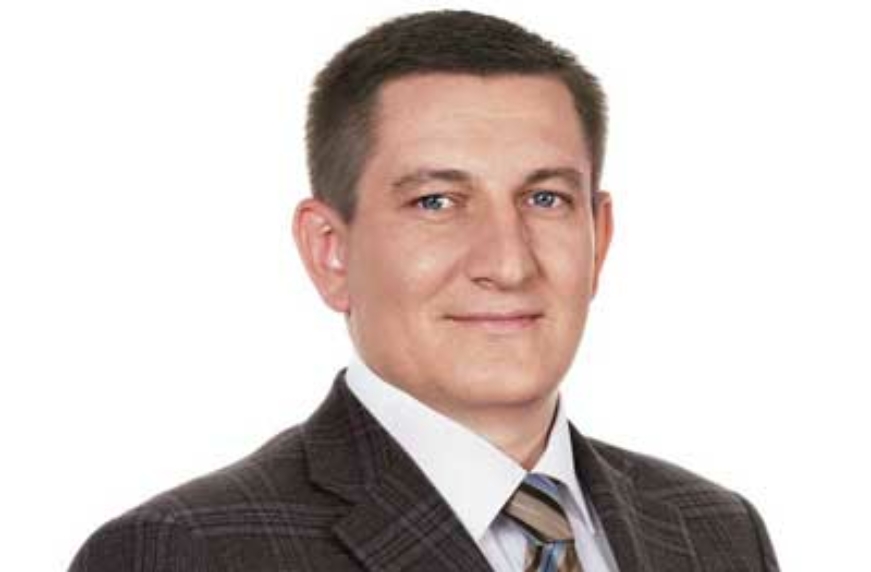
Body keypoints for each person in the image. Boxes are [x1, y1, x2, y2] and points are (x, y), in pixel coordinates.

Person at [69, 10, 779, 571]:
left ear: (600, 238)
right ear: (329, 251)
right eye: (436, 202)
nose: (507, 263)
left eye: (545, 199)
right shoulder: (188, 551)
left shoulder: (714, 532)